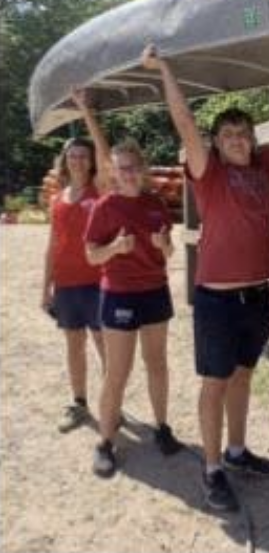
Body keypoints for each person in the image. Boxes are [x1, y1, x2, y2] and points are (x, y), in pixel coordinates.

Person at [142, 44, 269, 513]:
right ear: (216, 142)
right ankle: (211, 470)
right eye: (229, 134)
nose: (237, 139)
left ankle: (236, 452)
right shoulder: (207, 171)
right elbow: (185, 123)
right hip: (217, 300)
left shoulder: (263, 166)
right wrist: (164, 69)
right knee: (215, 383)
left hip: (256, 296)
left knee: (244, 376)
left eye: (243, 133)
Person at [84, 138, 183, 477]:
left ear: (141, 169)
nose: (127, 173)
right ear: (113, 171)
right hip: (120, 295)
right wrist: (114, 247)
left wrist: (163, 244)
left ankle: (162, 427)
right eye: (120, 167)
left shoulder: (156, 203)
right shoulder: (105, 206)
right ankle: (105, 443)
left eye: (132, 166)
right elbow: (92, 255)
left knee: (157, 364)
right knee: (117, 372)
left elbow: (169, 253)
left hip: (155, 291)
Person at [41, 88, 111, 433]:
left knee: (103, 344)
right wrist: (45, 289)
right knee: (74, 345)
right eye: (73, 156)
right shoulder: (58, 198)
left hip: (98, 281)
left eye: (84, 156)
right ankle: (80, 402)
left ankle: (111, 403)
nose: (79, 160)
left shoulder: (99, 189)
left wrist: (86, 112)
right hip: (66, 285)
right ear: (65, 162)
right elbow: (53, 244)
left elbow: (105, 152)